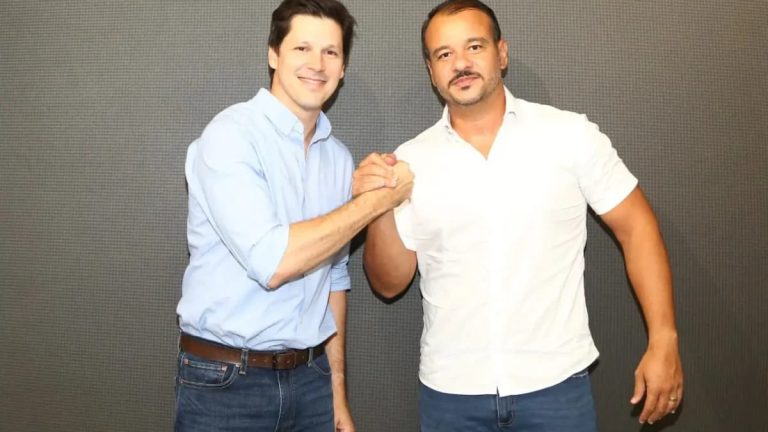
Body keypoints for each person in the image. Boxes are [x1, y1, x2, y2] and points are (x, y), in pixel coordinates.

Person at [361, 1, 684, 430]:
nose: (460, 63)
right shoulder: (409, 162)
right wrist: (378, 207)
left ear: (502, 53)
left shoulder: (569, 135)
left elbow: (637, 228)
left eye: (474, 46)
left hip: (556, 391)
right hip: (451, 398)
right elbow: (389, 283)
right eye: (444, 54)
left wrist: (664, 339)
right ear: (431, 71)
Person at [175, 0, 412, 430]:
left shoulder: (338, 159)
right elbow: (274, 261)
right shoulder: (230, 137)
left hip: (312, 382)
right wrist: (377, 201)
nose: (316, 64)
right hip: (226, 383)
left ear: (343, 68)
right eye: (302, 48)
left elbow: (334, 280)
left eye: (330, 52)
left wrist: (336, 392)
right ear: (273, 54)